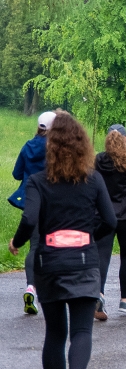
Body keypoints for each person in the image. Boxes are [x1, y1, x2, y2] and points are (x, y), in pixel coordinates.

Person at [9, 111, 117, 369]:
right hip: (84, 260)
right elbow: (110, 221)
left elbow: (29, 219)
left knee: (55, 333)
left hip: (50, 262)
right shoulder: (93, 180)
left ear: (50, 147)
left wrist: (17, 241)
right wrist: (87, 237)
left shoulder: (37, 182)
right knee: (82, 329)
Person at [95, 125, 126, 318]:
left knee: (103, 255)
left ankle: (99, 294)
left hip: (104, 213)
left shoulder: (98, 160)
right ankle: (124, 300)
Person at [10, 110, 55, 315]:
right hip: (53, 201)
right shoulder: (55, 149)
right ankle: (52, 288)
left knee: (34, 245)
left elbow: (17, 173)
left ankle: (30, 288)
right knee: (54, 244)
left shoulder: (28, 145)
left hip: (31, 201)